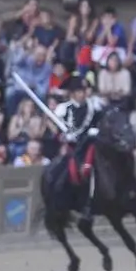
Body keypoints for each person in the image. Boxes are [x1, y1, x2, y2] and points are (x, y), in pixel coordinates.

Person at [53, 75, 103, 219]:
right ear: (73, 93)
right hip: (71, 147)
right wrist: (64, 136)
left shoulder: (94, 106)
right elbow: (57, 132)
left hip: (90, 145)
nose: (83, 94)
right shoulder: (63, 109)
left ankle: (91, 202)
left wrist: (96, 131)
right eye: (80, 91)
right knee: (60, 172)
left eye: (84, 90)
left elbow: (100, 122)